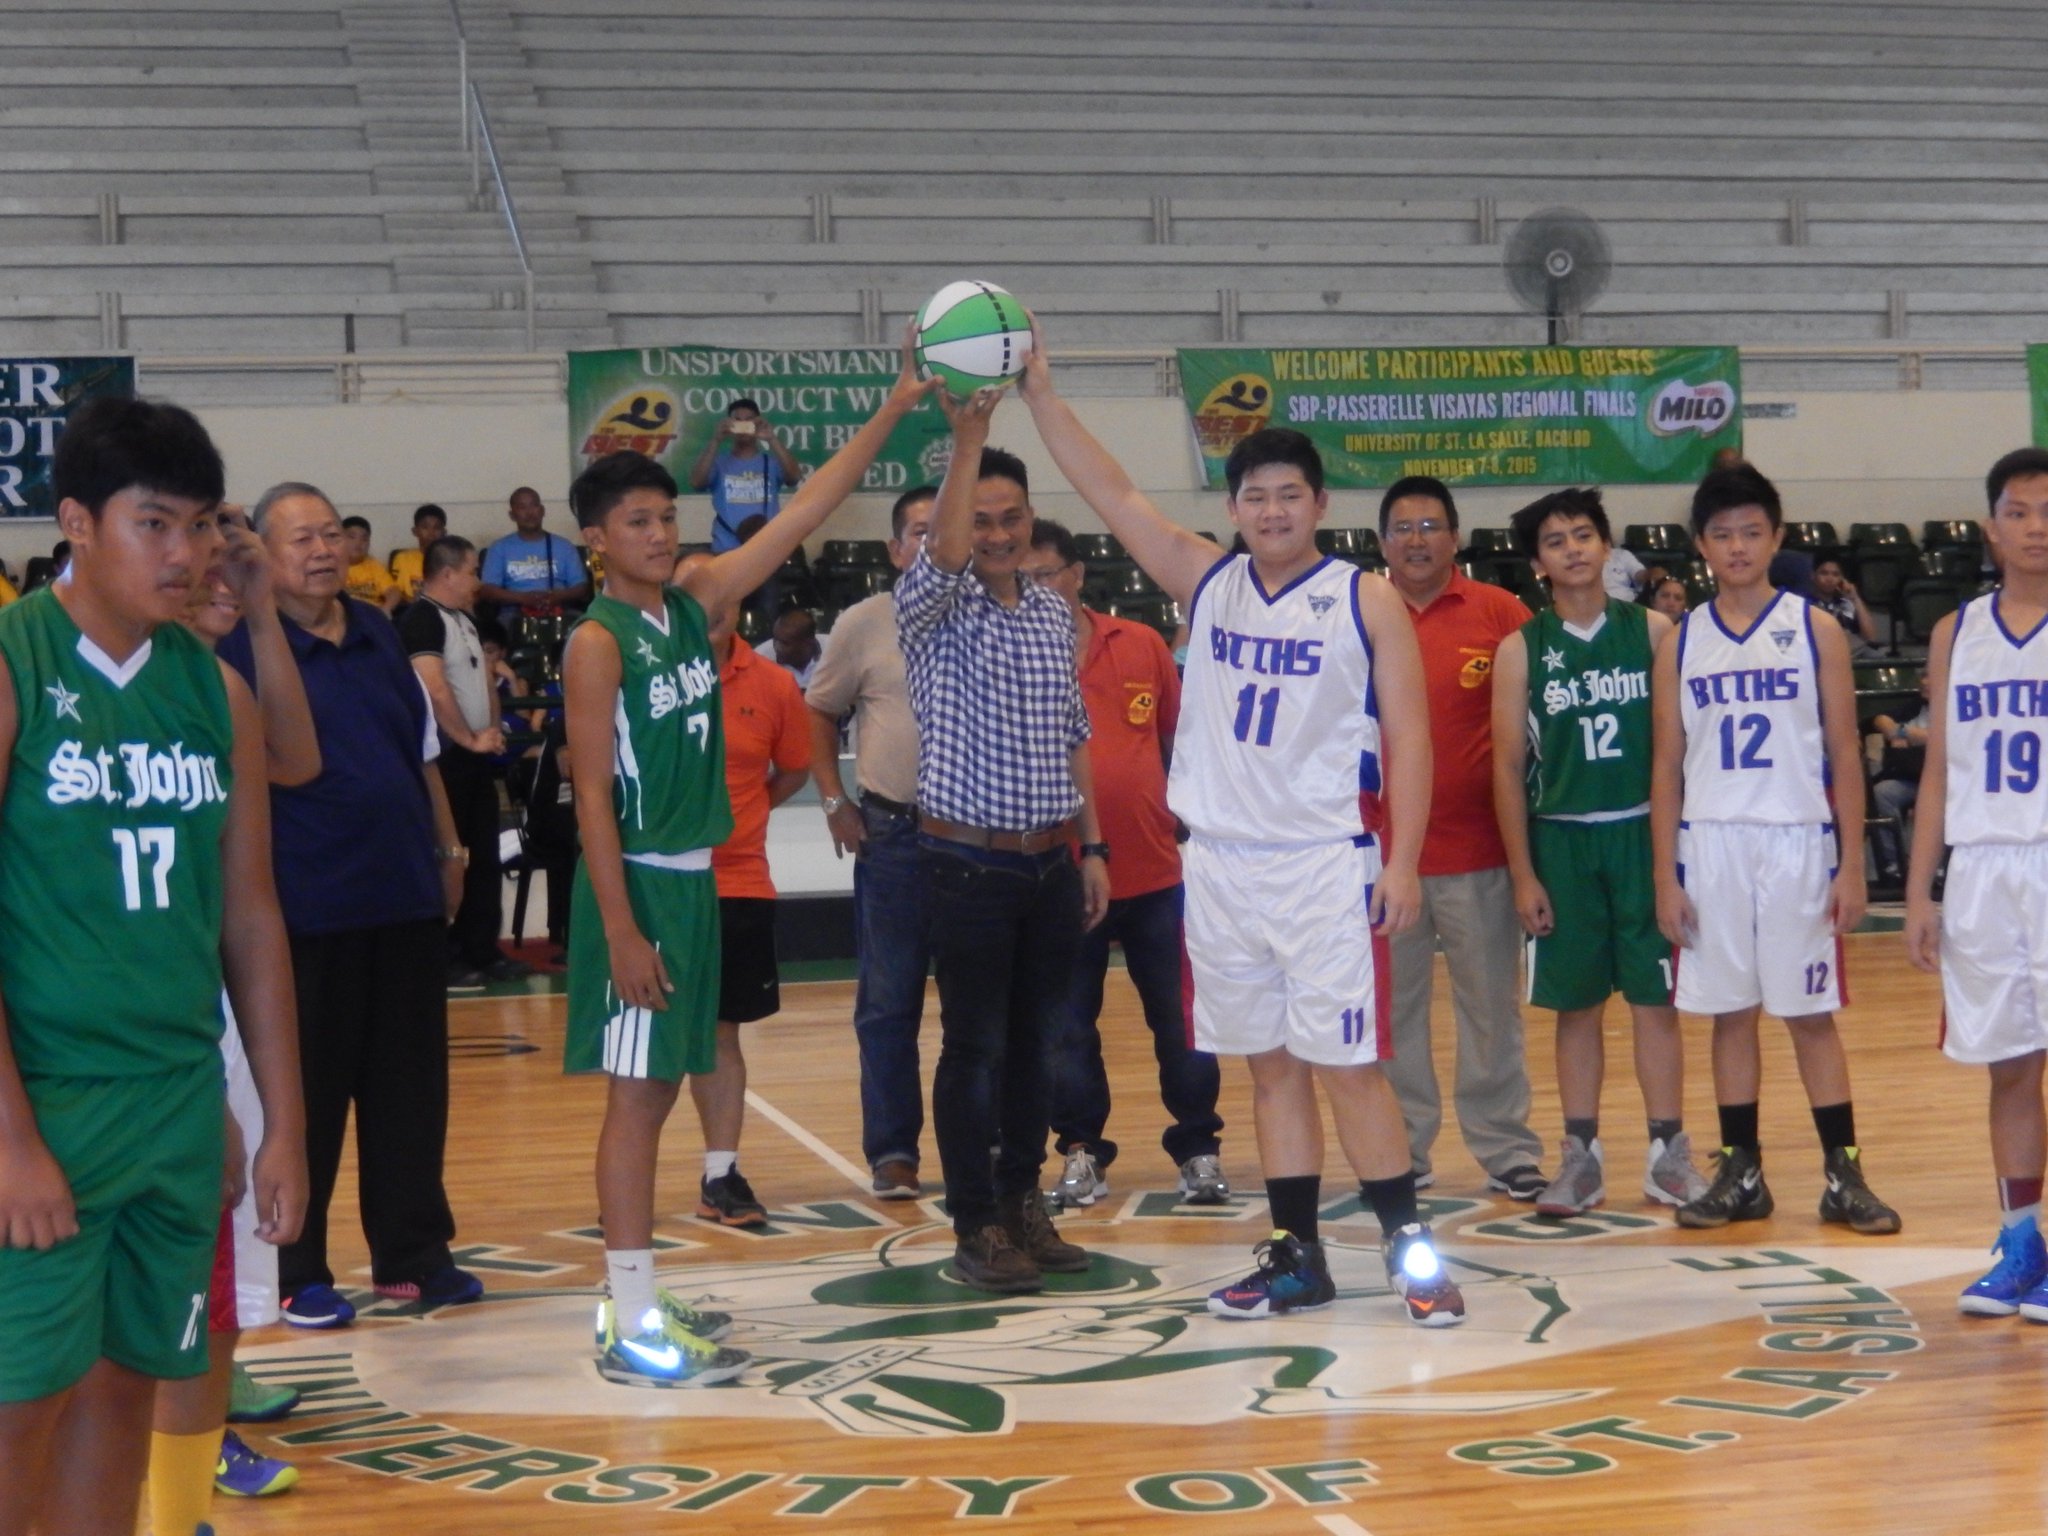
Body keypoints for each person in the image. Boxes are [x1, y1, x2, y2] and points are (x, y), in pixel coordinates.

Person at [1021, 328, 1462, 1328]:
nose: (1271, 511)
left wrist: (1401, 862)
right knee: (1268, 1070)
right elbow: (1109, 491)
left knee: (1349, 1067)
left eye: (1288, 495)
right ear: (1232, 510)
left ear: (1320, 505)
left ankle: (1412, 1254)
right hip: (1219, 866)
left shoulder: (1365, 599)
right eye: (1254, 496)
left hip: (1322, 865)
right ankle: (1296, 1255)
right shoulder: (1205, 580)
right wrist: (1041, 394)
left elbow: (1410, 739)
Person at [562, 335, 934, 1384]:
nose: (657, 534)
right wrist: (622, 928)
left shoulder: (690, 609)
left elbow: (804, 508)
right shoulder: (597, 644)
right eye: (636, 522)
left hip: (698, 883)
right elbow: (590, 798)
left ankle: (636, 1294)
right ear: (595, 540)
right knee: (637, 1100)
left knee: (665, 1089)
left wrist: (894, 404)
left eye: (664, 517)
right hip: (643, 885)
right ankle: (628, 1317)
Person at [0, 398, 308, 1536]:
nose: (186, 555)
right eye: (154, 524)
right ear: (77, 523)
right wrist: (10, 1140)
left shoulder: (214, 693)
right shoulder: (14, 665)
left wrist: (278, 1121)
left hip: (176, 1110)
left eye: (201, 525)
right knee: (18, 1411)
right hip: (50, 1104)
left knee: (127, 1394)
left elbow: (251, 920)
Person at [221, 481, 478, 1328]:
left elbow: (421, 753)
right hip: (303, 911)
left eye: (331, 533)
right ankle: (297, 1268)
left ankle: (414, 1256)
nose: (323, 550)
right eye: (301, 539)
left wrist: (447, 849)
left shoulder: (376, 629)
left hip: (401, 895)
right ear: (261, 553)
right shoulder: (240, 647)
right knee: (309, 1097)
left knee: (411, 1093)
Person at [894, 400, 1110, 1295]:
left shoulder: (1053, 615)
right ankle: (975, 1221)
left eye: (1010, 517)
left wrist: (1093, 848)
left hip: (1050, 861)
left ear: (1031, 520)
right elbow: (944, 552)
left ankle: (1023, 1202)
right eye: (979, 519)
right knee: (973, 1049)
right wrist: (969, 437)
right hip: (967, 864)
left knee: (1039, 1046)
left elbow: (1074, 735)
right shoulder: (931, 604)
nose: (995, 534)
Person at [1651, 462, 1900, 1233]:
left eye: (1751, 533)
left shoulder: (1814, 628)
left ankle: (1844, 1174)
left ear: (1776, 538)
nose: (1737, 547)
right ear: (1700, 545)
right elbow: (1665, 767)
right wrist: (1666, 878)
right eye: (1722, 535)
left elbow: (1845, 752)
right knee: (1730, 1014)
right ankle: (1743, 1172)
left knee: (1810, 1013)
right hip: (1713, 844)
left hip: (1796, 841)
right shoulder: (1680, 641)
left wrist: (1852, 864)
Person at [152, 508, 322, 1525]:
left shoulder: (217, 687)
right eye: (197, 538)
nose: (220, 560)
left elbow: (297, 757)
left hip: (205, 998)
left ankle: (198, 1434)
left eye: (229, 537)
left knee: (216, 1253)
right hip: (115, 1015)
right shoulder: (80, 679)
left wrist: (260, 613)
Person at [1490, 489, 1708, 1219]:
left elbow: (1678, 751)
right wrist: (1523, 873)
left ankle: (1668, 1154)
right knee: (1575, 1006)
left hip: (1643, 831)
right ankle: (1580, 1156)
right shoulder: (1521, 649)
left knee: (1655, 1000)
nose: (1573, 549)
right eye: (1556, 541)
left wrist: (1672, 864)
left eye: (1584, 535)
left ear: (1607, 546)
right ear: (1537, 563)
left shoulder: (1654, 631)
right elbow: (1506, 769)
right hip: (1561, 838)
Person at [1021, 518, 1229, 1210]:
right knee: (1068, 1026)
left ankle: (1198, 1148)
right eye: (1023, 579)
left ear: (1077, 574)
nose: (1036, 588)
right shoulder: (1012, 656)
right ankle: (1081, 1151)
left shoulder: (1140, 645)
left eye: (1046, 574)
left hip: (1156, 873)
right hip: (1060, 876)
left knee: (1181, 1020)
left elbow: (1180, 743)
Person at [1378, 475, 1547, 1200]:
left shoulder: (1501, 613)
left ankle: (1506, 1149)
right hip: (1384, 860)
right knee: (1392, 1015)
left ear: (1455, 538)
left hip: (1480, 853)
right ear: (1382, 540)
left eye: (1430, 527)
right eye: (1403, 527)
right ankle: (1400, 1154)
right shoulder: (1358, 610)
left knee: (1490, 1013)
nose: (1417, 540)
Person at [1908, 448, 2048, 1316]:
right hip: (1986, 868)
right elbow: (1939, 772)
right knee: (2010, 1065)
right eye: (2019, 512)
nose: (2036, 528)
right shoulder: (1955, 632)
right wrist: (1920, 890)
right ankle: (2022, 1242)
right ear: (1991, 527)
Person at [667, 552, 812, 1227]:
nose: (712, 602)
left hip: (740, 883)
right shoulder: (641, 675)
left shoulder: (774, 684)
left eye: (723, 589)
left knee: (721, 1033)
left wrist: (741, 817)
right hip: (661, 886)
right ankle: (628, 1180)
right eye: (696, 591)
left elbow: (793, 769)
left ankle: (720, 1175)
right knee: (654, 1038)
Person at [805, 486, 936, 1199]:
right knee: (888, 1003)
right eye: (919, 532)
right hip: (894, 834)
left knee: (982, 1005)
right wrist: (834, 800)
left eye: (944, 530)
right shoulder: (864, 622)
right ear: (894, 549)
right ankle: (893, 1153)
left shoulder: (991, 612)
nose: (932, 543)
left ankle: (987, 1148)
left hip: (979, 839)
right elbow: (819, 712)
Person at [403, 535, 525, 987]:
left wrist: (492, 730)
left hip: (474, 755)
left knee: (484, 855)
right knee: (450, 855)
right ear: (448, 573)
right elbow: (434, 689)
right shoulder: (421, 620)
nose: (477, 581)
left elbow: (484, 680)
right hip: (445, 758)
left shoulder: (465, 620)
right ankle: (447, 954)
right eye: (473, 571)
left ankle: (482, 948)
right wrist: (468, 739)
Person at [691, 397, 805, 553]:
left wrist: (772, 439)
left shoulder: (770, 462)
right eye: (737, 421)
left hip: (767, 549)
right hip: (725, 550)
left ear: (757, 423)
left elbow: (794, 477)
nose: (743, 425)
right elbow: (696, 482)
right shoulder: (718, 463)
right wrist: (716, 440)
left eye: (749, 420)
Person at [479, 486, 591, 624]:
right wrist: (523, 598)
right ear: (512, 515)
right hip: (514, 614)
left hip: (559, 611)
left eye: (534, 505)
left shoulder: (564, 546)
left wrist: (558, 596)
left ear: (542, 511)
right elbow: (487, 590)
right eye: (522, 507)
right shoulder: (499, 548)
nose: (529, 513)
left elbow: (581, 588)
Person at [1868, 674, 1931, 888]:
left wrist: (1903, 733)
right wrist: (1894, 730)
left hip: (1948, 783)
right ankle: (1895, 866)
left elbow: (1944, 737)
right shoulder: (1915, 706)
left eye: (1930, 676)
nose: (1924, 681)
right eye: (1923, 675)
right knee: (1882, 792)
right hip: (1912, 778)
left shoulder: (1957, 705)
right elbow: (1878, 719)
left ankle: (1938, 868)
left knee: (1933, 801)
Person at [1812, 557, 1882, 661]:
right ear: (1813, 576)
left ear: (1842, 579)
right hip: (1820, 651)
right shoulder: (1804, 603)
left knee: (1875, 654)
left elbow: (1871, 637)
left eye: (1835, 574)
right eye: (1824, 573)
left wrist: (1855, 598)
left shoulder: (1846, 604)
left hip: (1850, 652)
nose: (1830, 579)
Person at [341, 515, 402, 614]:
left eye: (364, 539)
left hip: (372, 615)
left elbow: (393, 591)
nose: (358, 543)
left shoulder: (373, 565)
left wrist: (385, 610)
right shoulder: (332, 566)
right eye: (352, 537)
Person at [389, 503, 447, 601]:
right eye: (425, 527)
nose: (431, 533)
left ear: (444, 532)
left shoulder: (451, 560)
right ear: (415, 531)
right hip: (409, 608)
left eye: (436, 528)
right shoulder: (402, 559)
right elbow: (394, 592)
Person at [758, 606, 823, 689]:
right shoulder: (760, 658)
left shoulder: (832, 651)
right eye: (775, 639)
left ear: (807, 643)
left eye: (785, 643)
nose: (777, 647)